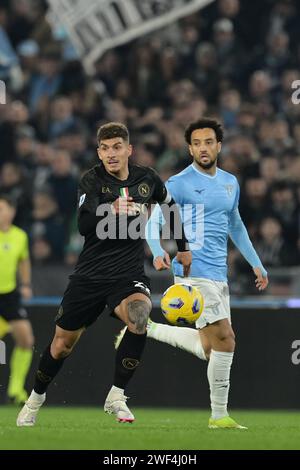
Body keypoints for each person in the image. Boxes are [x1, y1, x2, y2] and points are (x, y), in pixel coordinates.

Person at [17, 122, 191, 426]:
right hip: (89, 276)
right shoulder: (91, 181)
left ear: (128, 150)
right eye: (105, 148)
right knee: (61, 346)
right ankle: (36, 398)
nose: (111, 154)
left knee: (139, 316)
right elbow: (84, 225)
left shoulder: (146, 179)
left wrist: (183, 247)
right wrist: (111, 209)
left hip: (127, 275)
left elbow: (170, 206)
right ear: (99, 152)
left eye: (117, 147)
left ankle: (116, 395)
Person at [116, 118, 268, 429]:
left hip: (218, 272)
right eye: (196, 143)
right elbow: (153, 223)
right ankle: (219, 416)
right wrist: (159, 253)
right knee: (226, 339)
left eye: (208, 142)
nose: (202, 148)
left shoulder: (230, 182)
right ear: (189, 148)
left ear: (218, 146)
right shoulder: (178, 184)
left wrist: (256, 262)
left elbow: (235, 225)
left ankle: (151, 330)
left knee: (209, 347)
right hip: (192, 271)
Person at [0, 195, 34, 405]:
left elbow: (24, 260)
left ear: (11, 211)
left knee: (26, 340)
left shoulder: (20, 236)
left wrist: (26, 284)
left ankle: (16, 388)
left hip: (9, 295)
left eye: (2, 208)